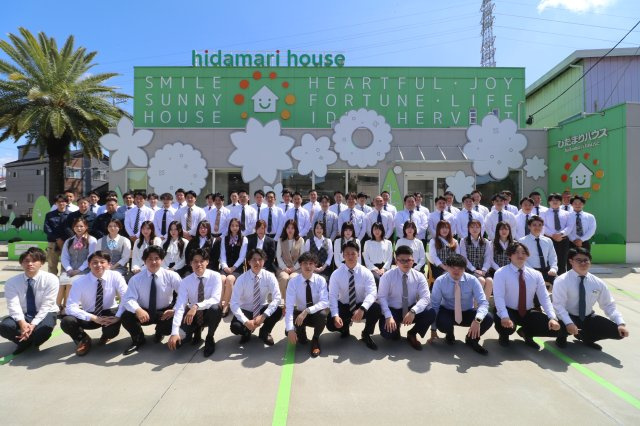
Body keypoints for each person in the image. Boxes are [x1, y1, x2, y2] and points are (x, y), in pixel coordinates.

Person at [553, 248, 629, 350]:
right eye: (579, 260)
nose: (583, 263)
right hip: (567, 315)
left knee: (618, 333)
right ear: (571, 261)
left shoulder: (598, 282)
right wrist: (568, 323)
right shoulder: (562, 280)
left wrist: (620, 323)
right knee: (559, 325)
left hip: (587, 316)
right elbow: (558, 306)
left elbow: (608, 305)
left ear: (590, 262)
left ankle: (586, 338)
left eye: (586, 260)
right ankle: (561, 337)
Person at [493, 242, 561, 349]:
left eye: (523, 253)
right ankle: (504, 335)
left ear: (527, 255)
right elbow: (499, 297)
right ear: (509, 255)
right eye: (516, 252)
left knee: (558, 329)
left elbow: (544, 297)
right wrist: (504, 316)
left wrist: (552, 317)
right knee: (506, 327)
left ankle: (526, 333)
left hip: (527, 311)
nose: (520, 255)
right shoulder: (501, 273)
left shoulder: (536, 274)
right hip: (508, 310)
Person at [61, 251, 127, 356]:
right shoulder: (79, 282)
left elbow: (126, 297)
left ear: (109, 264)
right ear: (89, 265)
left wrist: (118, 316)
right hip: (89, 314)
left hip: (109, 312)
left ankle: (106, 335)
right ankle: (83, 339)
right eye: (95, 262)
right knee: (67, 321)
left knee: (111, 331)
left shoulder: (116, 276)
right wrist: (93, 317)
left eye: (102, 262)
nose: (98, 265)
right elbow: (70, 307)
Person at [121, 245, 181, 355]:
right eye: (149, 259)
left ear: (162, 260)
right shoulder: (136, 279)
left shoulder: (172, 276)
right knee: (126, 316)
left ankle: (160, 332)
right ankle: (138, 338)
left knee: (172, 321)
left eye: (157, 258)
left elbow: (183, 295)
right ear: (144, 261)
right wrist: (138, 309)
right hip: (144, 311)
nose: (153, 262)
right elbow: (128, 298)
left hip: (164, 312)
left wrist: (174, 309)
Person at [429, 254, 493, 355]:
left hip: (467, 312)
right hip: (448, 311)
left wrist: (477, 320)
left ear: (465, 268)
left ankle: (472, 339)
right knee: (442, 322)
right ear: (447, 267)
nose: (456, 271)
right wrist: (433, 329)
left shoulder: (472, 280)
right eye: (453, 268)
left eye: (460, 268)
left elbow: (483, 302)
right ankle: (449, 334)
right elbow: (435, 305)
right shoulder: (440, 281)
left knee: (488, 318)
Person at [0, 248, 59, 355]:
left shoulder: (51, 279)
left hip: (46, 312)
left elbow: (47, 305)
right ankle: (25, 342)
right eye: (26, 261)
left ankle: (29, 340)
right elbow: (13, 305)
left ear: (41, 263)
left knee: (44, 329)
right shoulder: (11, 282)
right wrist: (22, 323)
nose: (30, 264)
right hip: (24, 313)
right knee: (5, 326)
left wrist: (33, 324)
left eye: (34, 261)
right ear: (21, 263)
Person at [378, 245, 435, 350]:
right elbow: (381, 297)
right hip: (393, 310)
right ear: (396, 261)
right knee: (387, 334)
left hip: (410, 308)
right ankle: (396, 328)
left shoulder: (419, 276)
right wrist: (388, 316)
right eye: (402, 260)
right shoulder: (387, 276)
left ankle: (412, 333)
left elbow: (426, 297)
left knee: (430, 312)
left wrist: (413, 311)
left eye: (409, 260)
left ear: (413, 261)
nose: (406, 263)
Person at [168, 248, 223, 357]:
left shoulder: (215, 276)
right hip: (192, 316)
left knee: (215, 308)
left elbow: (215, 299)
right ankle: (196, 330)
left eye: (202, 261)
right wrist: (174, 332)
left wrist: (196, 306)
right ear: (190, 263)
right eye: (195, 261)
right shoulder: (185, 281)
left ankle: (209, 338)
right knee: (177, 343)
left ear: (207, 262)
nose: (199, 264)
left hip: (208, 313)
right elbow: (180, 305)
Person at [327, 241, 381, 350]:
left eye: (353, 253)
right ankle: (344, 328)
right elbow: (332, 296)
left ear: (358, 254)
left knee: (376, 308)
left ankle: (366, 333)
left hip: (361, 304)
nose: (350, 256)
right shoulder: (336, 274)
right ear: (343, 255)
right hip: (344, 305)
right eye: (347, 254)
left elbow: (372, 293)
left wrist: (362, 308)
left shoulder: (366, 272)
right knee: (330, 324)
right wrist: (336, 315)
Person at [230, 249, 283, 346]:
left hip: (261, 308)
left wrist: (264, 315)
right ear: (249, 262)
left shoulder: (269, 276)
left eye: (260, 259)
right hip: (246, 309)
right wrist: (246, 321)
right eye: (254, 259)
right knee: (235, 327)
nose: (257, 262)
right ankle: (247, 332)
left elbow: (277, 297)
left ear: (264, 261)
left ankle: (265, 332)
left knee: (278, 311)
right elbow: (233, 303)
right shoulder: (241, 279)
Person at [285, 252, 329, 357]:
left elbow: (325, 302)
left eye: (311, 263)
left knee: (322, 315)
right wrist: (290, 329)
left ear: (315, 265)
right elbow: (289, 306)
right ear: (300, 265)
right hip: (300, 314)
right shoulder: (293, 282)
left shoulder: (321, 280)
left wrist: (307, 311)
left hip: (315, 314)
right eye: (305, 263)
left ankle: (315, 339)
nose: (308, 266)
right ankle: (301, 334)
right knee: (290, 333)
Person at [59, 218, 97, 312]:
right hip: (70, 269)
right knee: (61, 282)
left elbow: (90, 257)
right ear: (73, 228)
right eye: (76, 226)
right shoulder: (69, 241)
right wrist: (69, 269)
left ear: (86, 227)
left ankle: (67, 307)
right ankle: (57, 306)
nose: (79, 228)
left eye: (81, 226)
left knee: (70, 283)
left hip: (84, 270)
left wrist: (79, 270)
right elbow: (64, 257)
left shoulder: (92, 240)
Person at [220, 218, 248, 316]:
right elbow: (222, 255)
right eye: (232, 225)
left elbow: (242, 257)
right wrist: (225, 267)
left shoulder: (244, 239)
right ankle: (219, 303)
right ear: (229, 227)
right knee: (221, 278)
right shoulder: (225, 238)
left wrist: (233, 268)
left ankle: (226, 305)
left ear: (239, 227)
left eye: (236, 225)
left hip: (237, 268)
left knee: (230, 279)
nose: (234, 228)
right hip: (225, 266)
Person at [519, 216, 558, 285]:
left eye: (540, 225)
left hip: (547, 271)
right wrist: (533, 271)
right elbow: (522, 259)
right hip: (530, 271)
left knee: (558, 283)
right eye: (534, 225)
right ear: (529, 226)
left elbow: (552, 256)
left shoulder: (548, 240)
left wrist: (553, 268)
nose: (537, 227)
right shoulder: (522, 241)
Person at [459, 219, 493, 297]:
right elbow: (464, 258)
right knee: (481, 280)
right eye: (472, 227)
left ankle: (485, 303)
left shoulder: (486, 242)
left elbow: (488, 257)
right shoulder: (463, 241)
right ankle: (475, 304)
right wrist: (474, 269)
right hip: (469, 270)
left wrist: (484, 270)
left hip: (482, 270)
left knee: (490, 280)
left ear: (481, 229)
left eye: (477, 227)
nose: (475, 229)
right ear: (468, 229)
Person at [541, 193, 572, 275]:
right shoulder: (543, 213)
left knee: (562, 260)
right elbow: (543, 226)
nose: (555, 202)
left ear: (560, 202)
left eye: (557, 200)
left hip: (563, 239)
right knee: (549, 260)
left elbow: (569, 226)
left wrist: (561, 234)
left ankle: (561, 277)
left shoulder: (566, 213)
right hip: (549, 239)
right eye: (552, 200)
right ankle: (550, 278)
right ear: (549, 202)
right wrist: (553, 235)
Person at [276, 219, 304, 303]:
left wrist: (294, 268)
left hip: (297, 268)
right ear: (285, 229)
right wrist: (284, 267)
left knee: (292, 278)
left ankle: (293, 302)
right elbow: (278, 256)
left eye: (292, 228)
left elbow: (302, 257)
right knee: (284, 278)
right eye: (288, 228)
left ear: (295, 229)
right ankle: (284, 302)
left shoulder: (301, 240)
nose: (290, 230)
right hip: (283, 268)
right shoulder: (280, 240)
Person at [44, 194, 70, 275]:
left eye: (63, 201)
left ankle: (64, 281)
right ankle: (52, 280)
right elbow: (47, 229)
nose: (61, 203)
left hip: (66, 243)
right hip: (53, 242)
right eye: (59, 202)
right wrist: (57, 238)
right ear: (55, 203)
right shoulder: (49, 215)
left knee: (65, 265)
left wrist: (63, 239)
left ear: (66, 203)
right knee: (52, 265)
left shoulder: (71, 215)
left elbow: (72, 229)